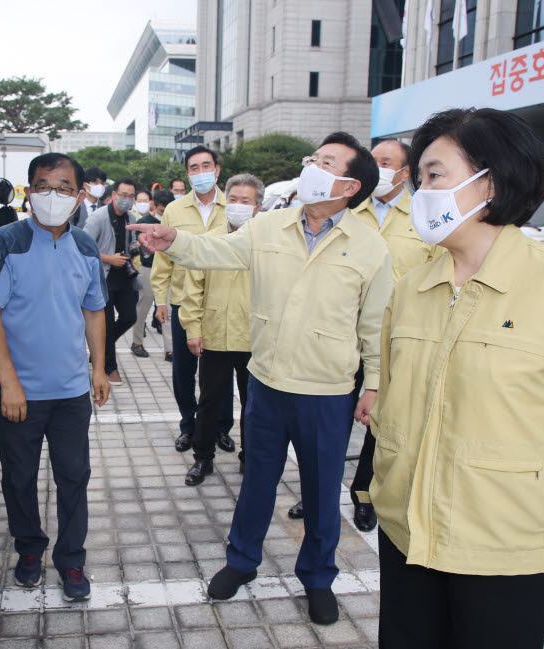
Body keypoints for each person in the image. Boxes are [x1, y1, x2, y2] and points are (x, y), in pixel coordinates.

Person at [370, 108, 544, 649]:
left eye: (434, 176)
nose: (421, 193)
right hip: (405, 535)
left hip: (507, 546)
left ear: (492, 181)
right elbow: (390, 405)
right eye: (419, 179)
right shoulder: (411, 288)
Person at [131, 132, 390, 625]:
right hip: (268, 381)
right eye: (314, 157)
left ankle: (317, 576)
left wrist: (373, 383)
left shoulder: (370, 246)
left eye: (327, 161)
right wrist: (175, 240)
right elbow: (220, 252)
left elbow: (375, 324)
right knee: (257, 482)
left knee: (319, 489)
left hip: (327, 390)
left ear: (350, 183)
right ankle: (241, 561)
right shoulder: (271, 225)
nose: (313, 165)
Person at [0, 152, 110, 603]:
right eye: (44, 186)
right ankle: (29, 549)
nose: (55, 195)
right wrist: (8, 381)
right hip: (19, 393)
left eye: (65, 187)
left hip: (70, 391)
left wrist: (98, 367)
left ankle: (71, 560)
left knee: (74, 477)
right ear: (29, 192)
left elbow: (93, 311)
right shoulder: (6, 242)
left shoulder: (86, 246)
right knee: (19, 476)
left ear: (79, 195)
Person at [287, 138, 439, 532]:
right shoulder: (348, 207)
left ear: (406, 172)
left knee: (377, 420)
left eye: (387, 162)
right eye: (375, 160)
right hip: (336, 335)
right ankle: (316, 492)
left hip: (397, 339)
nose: (379, 166)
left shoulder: (424, 216)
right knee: (331, 424)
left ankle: (365, 493)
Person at [150, 146, 234, 452]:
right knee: (183, 371)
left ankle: (220, 427)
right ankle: (189, 426)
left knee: (220, 372)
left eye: (206, 166)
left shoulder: (233, 206)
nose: (201, 173)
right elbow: (163, 259)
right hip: (184, 302)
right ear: (188, 174)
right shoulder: (175, 210)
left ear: (217, 170)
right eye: (194, 168)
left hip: (222, 302)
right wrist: (160, 299)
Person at [181, 174, 263, 486]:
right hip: (214, 332)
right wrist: (192, 328)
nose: (239, 206)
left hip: (254, 336)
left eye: (247, 201)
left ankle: (250, 458)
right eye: (235, 199)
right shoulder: (210, 238)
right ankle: (203, 458)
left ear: (258, 207)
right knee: (209, 400)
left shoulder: (266, 242)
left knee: (253, 404)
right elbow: (192, 288)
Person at [84, 178, 141, 386]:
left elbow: (132, 243)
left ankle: (100, 347)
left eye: (131, 196)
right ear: (114, 195)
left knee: (129, 317)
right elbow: (84, 248)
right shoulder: (97, 218)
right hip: (103, 277)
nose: (127, 200)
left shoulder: (131, 217)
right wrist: (109, 258)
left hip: (124, 277)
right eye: (123, 195)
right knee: (105, 324)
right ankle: (110, 367)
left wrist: (139, 248)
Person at [132, 190, 172, 359]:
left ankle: (170, 349)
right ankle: (137, 342)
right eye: (162, 210)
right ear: (154, 205)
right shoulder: (144, 222)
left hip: (169, 271)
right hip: (148, 268)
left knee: (168, 308)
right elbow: (140, 245)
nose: (164, 214)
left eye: (167, 210)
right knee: (143, 306)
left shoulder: (174, 223)